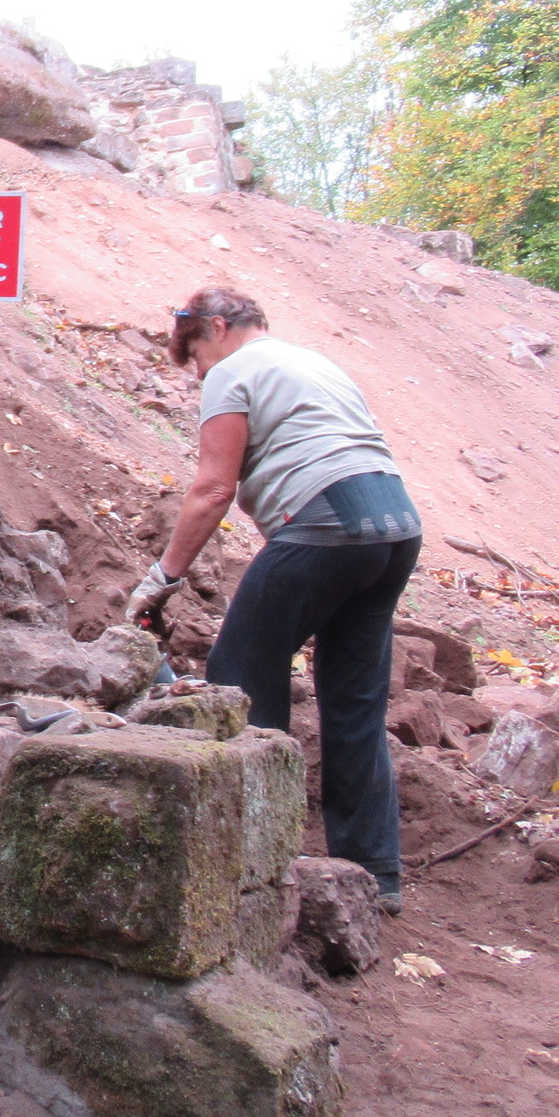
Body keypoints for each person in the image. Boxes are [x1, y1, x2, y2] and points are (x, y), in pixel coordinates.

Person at [124, 287, 422, 911]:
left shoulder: (232, 371)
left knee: (240, 677)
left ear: (217, 327)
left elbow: (213, 489)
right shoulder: (315, 362)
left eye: (196, 357)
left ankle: (257, 860)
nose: (200, 374)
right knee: (355, 702)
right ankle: (375, 875)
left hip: (326, 524)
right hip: (395, 528)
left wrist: (163, 578)